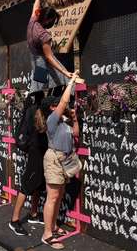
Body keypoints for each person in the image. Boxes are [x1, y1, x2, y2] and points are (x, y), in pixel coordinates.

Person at [41, 72, 79, 249]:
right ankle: (47, 234)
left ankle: (54, 226)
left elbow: (76, 134)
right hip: (54, 160)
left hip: (65, 160)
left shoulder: (63, 121)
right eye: (58, 105)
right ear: (52, 108)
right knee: (53, 196)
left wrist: (74, 118)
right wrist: (71, 81)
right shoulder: (52, 119)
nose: (63, 105)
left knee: (59, 195)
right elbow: (64, 102)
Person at [8, 102, 49, 236]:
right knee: (27, 184)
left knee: (38, 183)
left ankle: (33, 213)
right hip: (36, 151)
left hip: (41, 150)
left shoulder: (36, 107)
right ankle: (14, 220)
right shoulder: (36, 109)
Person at [27, 0, 74, 93]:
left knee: (38, 88)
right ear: (48, 20)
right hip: (42, 63)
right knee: (65, 80)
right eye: (52, 21)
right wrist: (65, 72)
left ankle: (40, 104)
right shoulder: (43, 35)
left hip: (35, 60)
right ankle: (61, 104)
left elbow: (35, 7)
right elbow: (49, 57)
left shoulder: (33, 21)